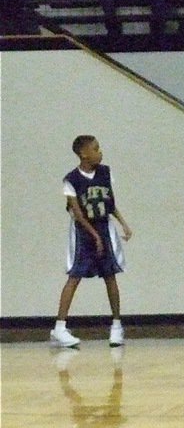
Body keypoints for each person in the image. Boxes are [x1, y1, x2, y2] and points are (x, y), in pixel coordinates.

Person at [51, 136, 133, 348]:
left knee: (110, 275)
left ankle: (116, 326)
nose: (100, 151)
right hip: (82, 231)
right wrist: (94, 236)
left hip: (104, 226)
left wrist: (123, 223)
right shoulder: (71, 180)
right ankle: (59, 328)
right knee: (75, 276)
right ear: (84, 154)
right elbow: (78, 213)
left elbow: (110, 203)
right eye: (96, 148)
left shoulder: (105, 172)